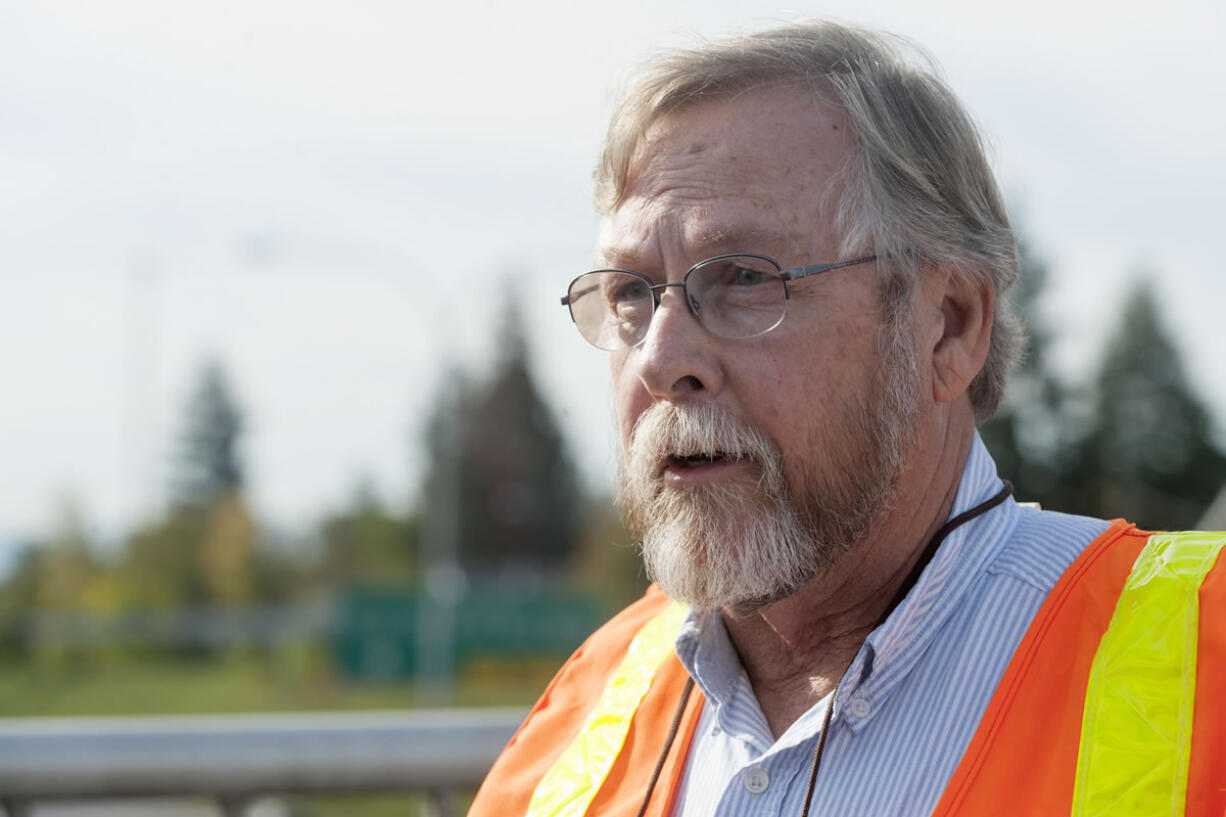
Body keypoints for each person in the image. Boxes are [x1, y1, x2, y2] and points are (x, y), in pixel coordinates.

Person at [468, 19, 1226, 817]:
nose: (660, 360)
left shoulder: (1201, 662)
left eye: (743, 279)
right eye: (629, 294)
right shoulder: (580, 718)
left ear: (949, 324)